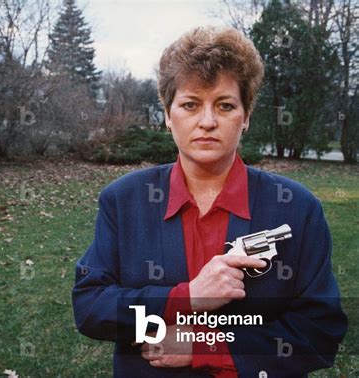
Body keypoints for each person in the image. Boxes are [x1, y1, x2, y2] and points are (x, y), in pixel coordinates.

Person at [72, 26, 347, 377]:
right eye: (190, 104)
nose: (207, 121)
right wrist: (185, 299)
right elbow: (90, 307)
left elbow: (321, 332)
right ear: (168, 117)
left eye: (225, 105)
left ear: (246, 117)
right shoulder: (123, 200)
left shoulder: (298, 208)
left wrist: (207, 346)